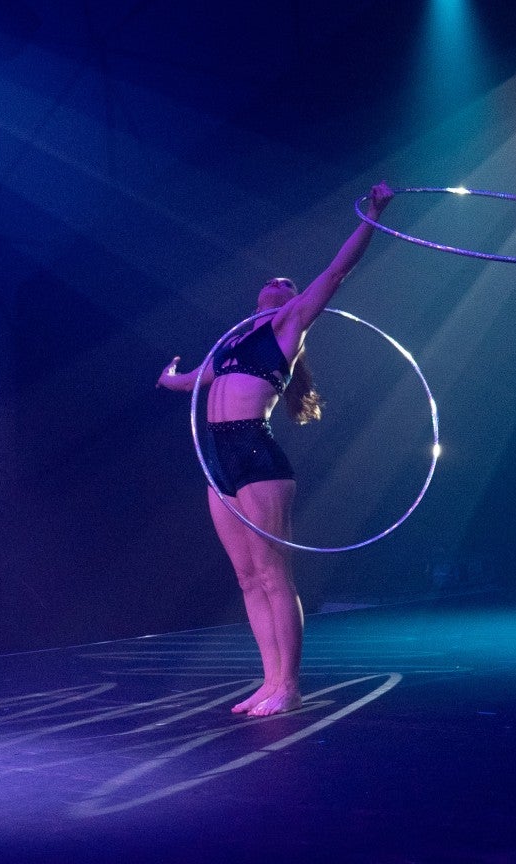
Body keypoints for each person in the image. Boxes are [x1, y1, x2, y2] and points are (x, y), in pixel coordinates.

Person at [156, 182, 394, 716]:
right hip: (217, 458)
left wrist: (373, 215)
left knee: (271, 572)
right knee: (246, 577)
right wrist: (168, 376)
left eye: (288, 283)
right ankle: (268, 681)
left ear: (293, 300)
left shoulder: (288, 327)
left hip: (256, 454)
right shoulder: (230, 343)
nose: (277, 282)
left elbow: (337, 271)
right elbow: (191, 382)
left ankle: (290, 684)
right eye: (272, 280)